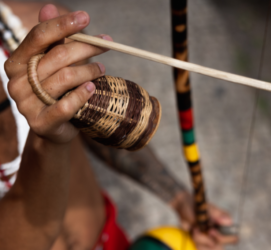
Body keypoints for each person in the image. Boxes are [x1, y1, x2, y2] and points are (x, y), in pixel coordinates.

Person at [0, 2, 237, 250]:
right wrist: (50, 138)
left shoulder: (29, 24)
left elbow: (97, 123)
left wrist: (178, 198)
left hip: (107, 238)